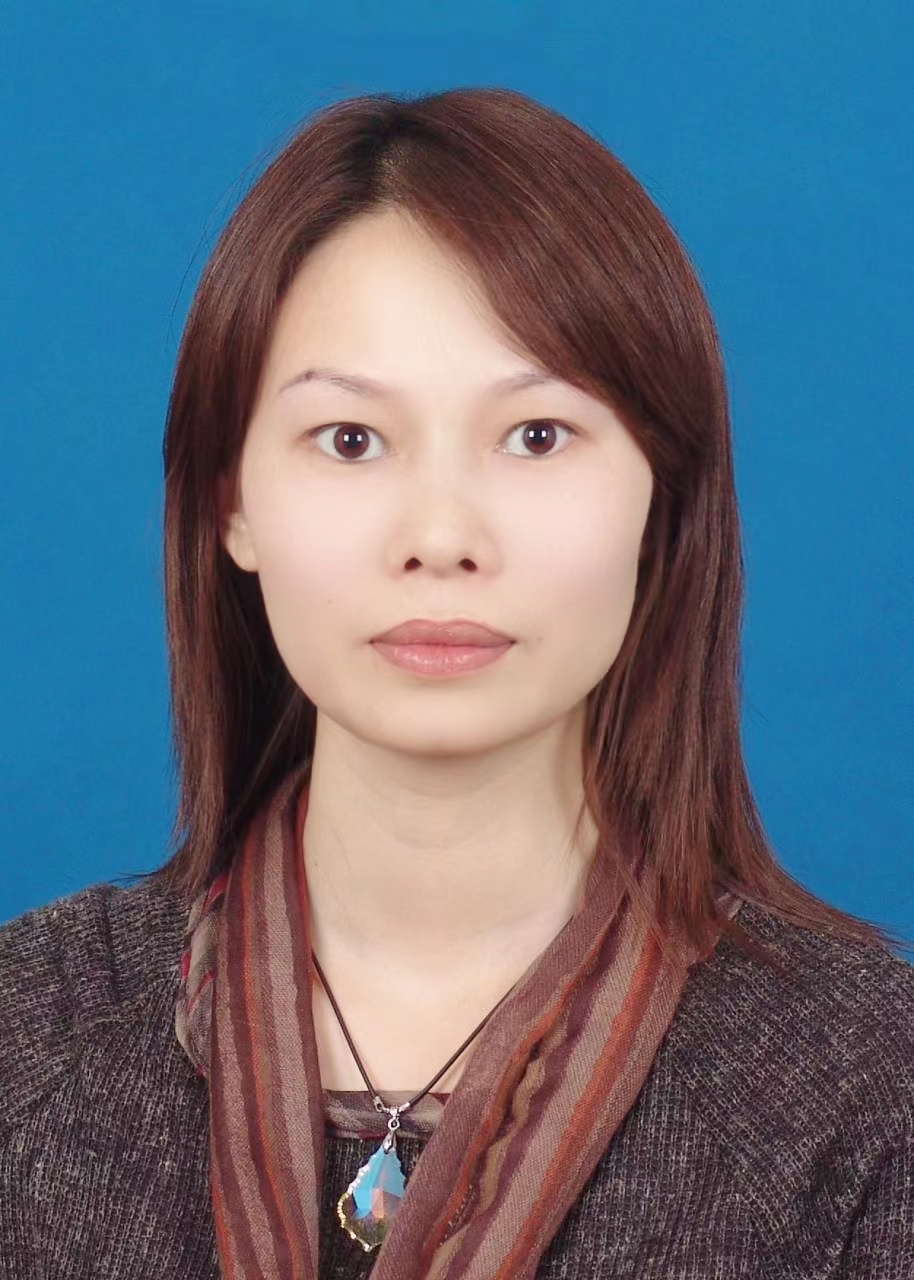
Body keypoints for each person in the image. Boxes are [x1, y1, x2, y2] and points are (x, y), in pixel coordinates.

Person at [1, 86, 912, 1280]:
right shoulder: (28, 1038)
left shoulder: (863, 1085)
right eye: (349, 439)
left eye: (535, 435)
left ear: (660, 503)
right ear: (232, 503)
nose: (440, 536)